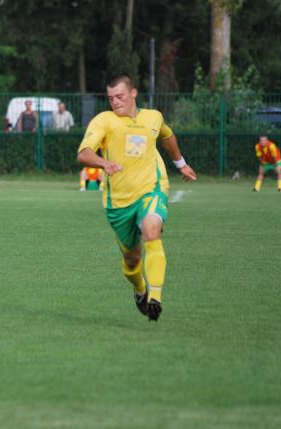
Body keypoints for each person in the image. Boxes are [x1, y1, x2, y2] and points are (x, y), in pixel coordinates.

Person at [77, 74, 197, 322]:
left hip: (151, 189)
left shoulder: (153, 117)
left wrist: (180, 163)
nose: (115, 102)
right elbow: (84, 153)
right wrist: (103, 163)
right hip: (118, 203)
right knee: (132, 260)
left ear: (133, 93)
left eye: (120, 96)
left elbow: (167, 135)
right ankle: (140, 289)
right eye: (111, 98)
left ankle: (155, 298)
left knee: (152, 230)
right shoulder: (104, 120)